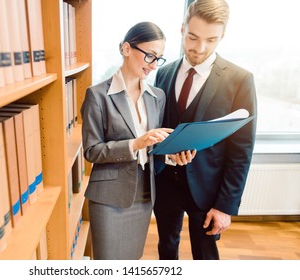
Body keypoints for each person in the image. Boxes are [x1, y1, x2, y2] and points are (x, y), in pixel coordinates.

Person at [80, 22, 196, 260]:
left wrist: (172, 154)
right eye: (150, 56)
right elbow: (92, 151)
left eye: (159, 58)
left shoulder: (157, 97)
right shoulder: (97, 95)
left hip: (144, 195)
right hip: (109, 198)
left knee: (132, 261)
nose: (154, 65)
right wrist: (135, 143)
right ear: (126, 49)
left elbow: (152, 147)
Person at [153, 0, 257, 260]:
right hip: (165, 184)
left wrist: (225, 206)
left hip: (208, 191)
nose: (199, 48)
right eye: (193, 37)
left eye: (211, 40)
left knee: (206, 256)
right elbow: (157, 127)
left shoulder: (240, 80)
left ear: (223, 36)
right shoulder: (163, 73)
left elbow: (242, 150)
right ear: (182, 29)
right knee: (166, 249)